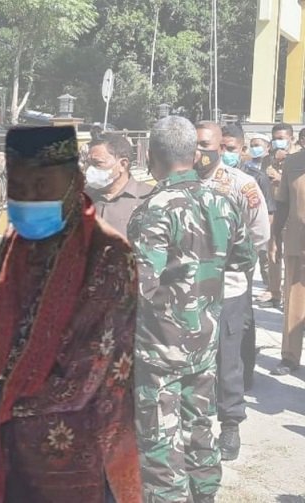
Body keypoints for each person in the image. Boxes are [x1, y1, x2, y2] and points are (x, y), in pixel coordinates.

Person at [0, 126, 142, 503]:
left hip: (82, 462)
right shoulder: (17, 246)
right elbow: (12, 339)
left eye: (40, 184)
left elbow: (78, 382)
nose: (26, 196)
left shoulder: (108, 258)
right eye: (18, 184)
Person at [128, 116, 256, 503]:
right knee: (200, 429)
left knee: (160, 441)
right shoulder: (226, 200)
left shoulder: (152, 210)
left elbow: (140, 286)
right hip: (205, 341)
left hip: (160, 350)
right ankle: (205, 495)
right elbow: (244, 258)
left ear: (152, 157)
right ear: (194, 154)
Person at [194, 122, 269, 461]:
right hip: (188, 288)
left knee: (228, 356)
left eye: (208, 145)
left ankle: (230, 424)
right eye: (196, 144)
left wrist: (230, 262)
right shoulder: (181, 182)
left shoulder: (242, 184)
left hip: (229, 285)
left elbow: (259, 234)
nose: (202, 151)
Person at [269, 145, 305, 376]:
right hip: (297, 242)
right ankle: (290, 357)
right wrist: (274, 237)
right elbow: (282, 203)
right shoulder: (293, 162)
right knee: (294, 303)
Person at [84, 133, 152, 236]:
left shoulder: (149, 199)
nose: (89, 169)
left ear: (123, 164)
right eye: (88, 163)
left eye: (97, 163)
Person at [261, 123, 297, 309]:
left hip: (294, 211)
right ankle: (274, 292)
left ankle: (291, 294)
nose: (278, 141)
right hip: (274, 209)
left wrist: (280, 179)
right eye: (275, 138)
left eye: (282, 138)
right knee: (273, 250)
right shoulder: (267, 160)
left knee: (293, 254)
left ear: (291, 138)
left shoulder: (298, 159)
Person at [242, 134, 275, 289]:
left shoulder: (271, 164)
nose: (254, 148)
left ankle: (270, 287)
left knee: (266, 256)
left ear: (268, 147)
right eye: (252, 145)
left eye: (258, 145)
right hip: (246, 218)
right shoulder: (245, 167)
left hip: (267, 215)